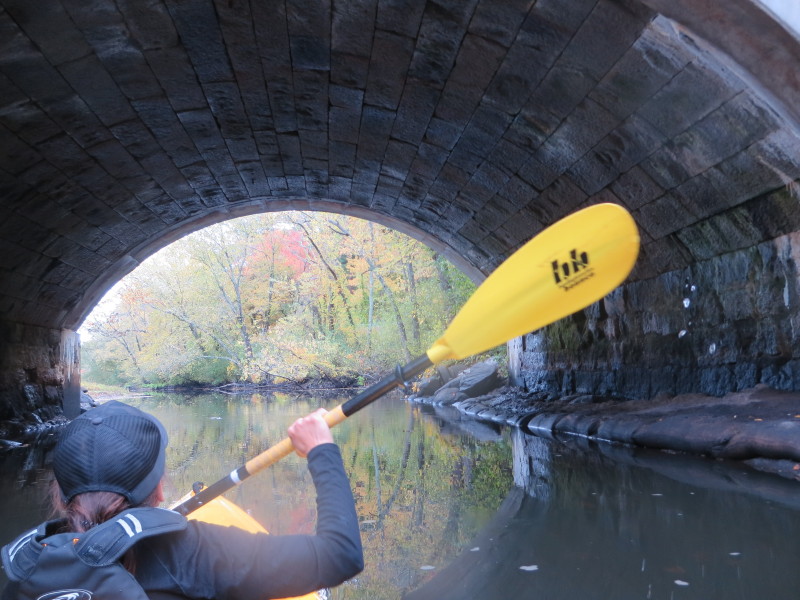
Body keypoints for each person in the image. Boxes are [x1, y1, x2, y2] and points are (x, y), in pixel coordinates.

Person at [1, 400, 364, 599]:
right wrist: (321, 450)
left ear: (61, 494)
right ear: (159, 489)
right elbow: (341, 555)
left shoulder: (28, 567)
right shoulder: (198, 551)